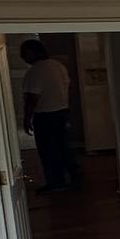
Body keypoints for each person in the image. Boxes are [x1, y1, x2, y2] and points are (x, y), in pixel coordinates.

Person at [19, 39, 77, 192]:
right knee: (64, 147)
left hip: (46, 116)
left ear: (33, 52)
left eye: (24, 53)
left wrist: (26, 118)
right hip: (62, 112)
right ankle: (75, 178)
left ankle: (56, 182)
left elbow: (32, 98)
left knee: (48, 151)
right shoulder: (58, 66)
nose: (22, 57)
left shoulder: (36, 71)